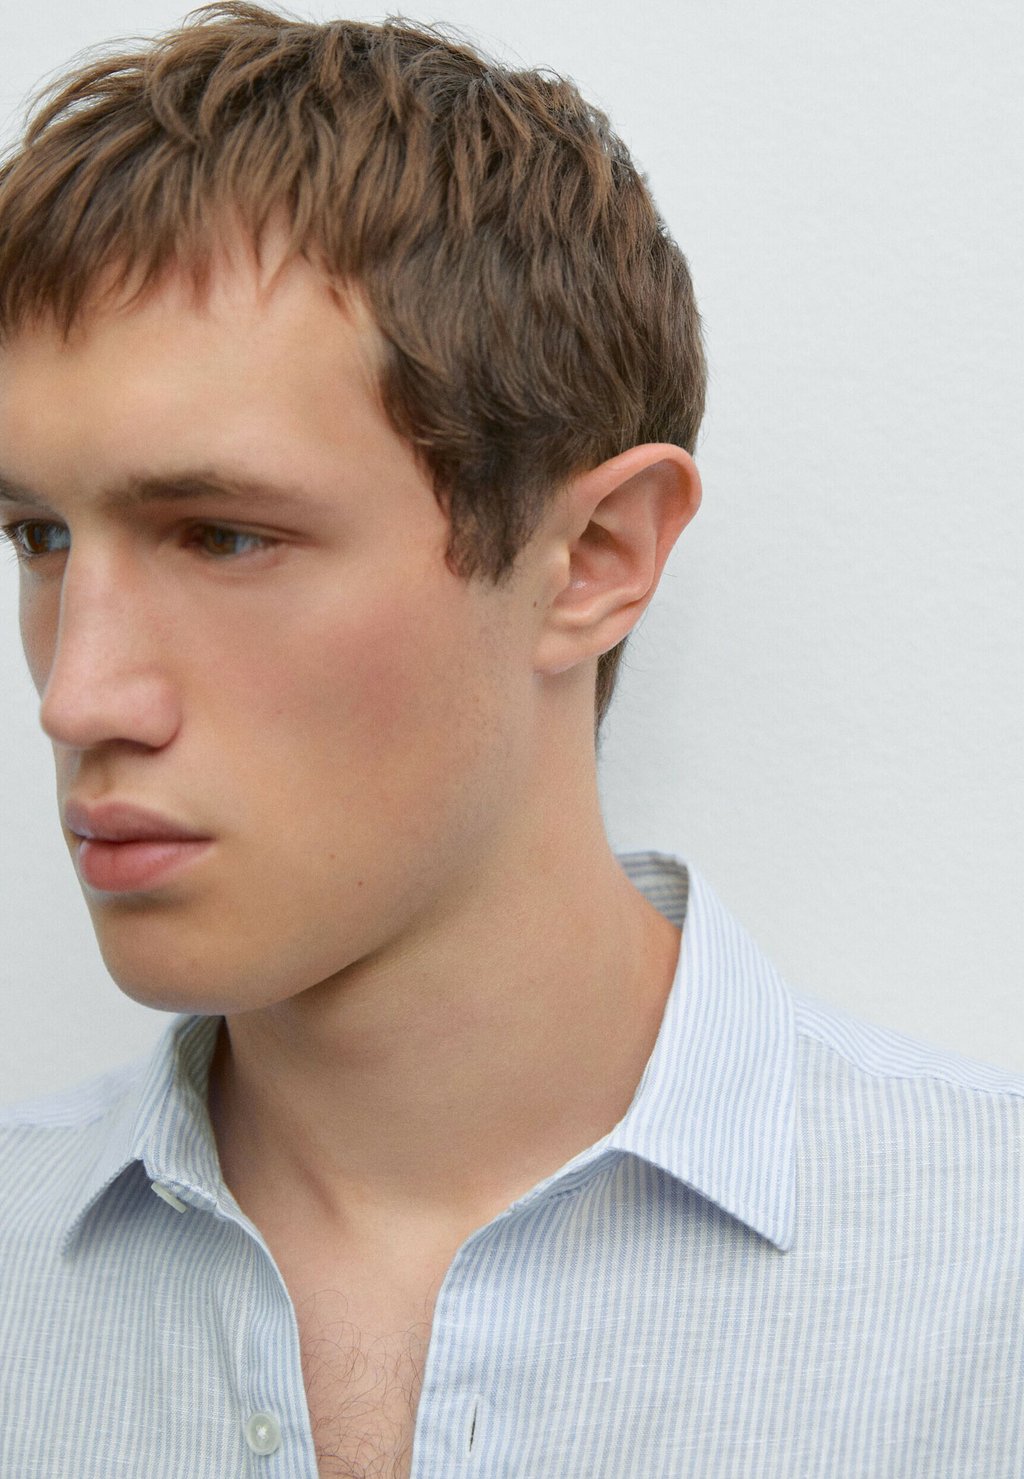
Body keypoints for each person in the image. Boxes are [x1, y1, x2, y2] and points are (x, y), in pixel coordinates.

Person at [0, 4, 1021, 1477]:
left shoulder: (989, 1288)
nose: (78, 695)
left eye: (222, 535)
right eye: (38, 536)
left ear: (596, 557)